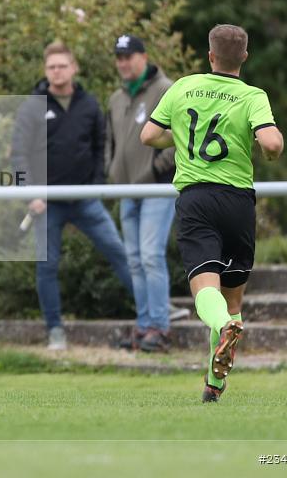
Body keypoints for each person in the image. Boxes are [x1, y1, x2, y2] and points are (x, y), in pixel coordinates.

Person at [141, 24, 283, 402]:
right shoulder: (253, 95)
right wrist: (270, 149)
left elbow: (148, 136)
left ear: (210, 56)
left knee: (206, 288)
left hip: (196, 200)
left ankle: (222, 327)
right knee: (233, 300)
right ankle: (214, 385)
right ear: (245, 58)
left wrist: (183, 135)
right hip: (238, 203)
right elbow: (270, 142)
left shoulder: (183, 87)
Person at [12, 40, 135, 350]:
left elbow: (100, 147)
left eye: (62, 66)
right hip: (46, 204)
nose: (57, 71)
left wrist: (94, 186)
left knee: (118, 251)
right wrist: (30, 195)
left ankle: (150, 314)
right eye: (51, 67)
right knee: (47, 266)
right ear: (45, 70)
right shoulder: (32, 106)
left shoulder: (90, 104)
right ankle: (55, 330)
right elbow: (19, 155)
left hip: (85, 201)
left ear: (74, 68)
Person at [105, 34, 183, 354]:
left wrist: (153, 171)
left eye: (129, 56)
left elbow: (179, 139)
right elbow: (111, 143)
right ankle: (143, 325)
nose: (124, 63)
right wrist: (112, 173)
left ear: (144, 57)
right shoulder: (116, 98)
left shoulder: (166, 90)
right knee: (135, 260)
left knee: (150, 256)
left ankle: (160, 327)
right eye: (119, 57)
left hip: (157, 187)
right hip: (127, 189)